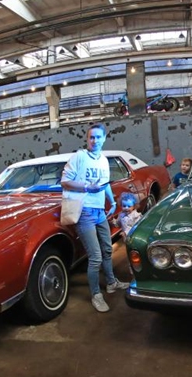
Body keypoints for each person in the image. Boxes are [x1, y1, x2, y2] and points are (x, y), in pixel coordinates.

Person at [60, 123, 129, 313]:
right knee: (95, 256)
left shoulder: (103, 160)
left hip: (99, 211)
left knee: (107, 249)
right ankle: (96, 295)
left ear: (104, 138)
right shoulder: (80, 157)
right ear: (86, 139)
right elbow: (64, 181)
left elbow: (105, 182)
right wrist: (85, 187)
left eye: (98, 137)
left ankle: (111, 282)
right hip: (84, 212)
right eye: (91, 137)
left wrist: (112, 201)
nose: (95, 140)